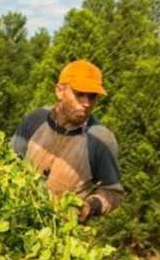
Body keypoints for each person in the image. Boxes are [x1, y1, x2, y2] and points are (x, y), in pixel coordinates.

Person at [10, 59, 124, 222]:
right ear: (59, 91)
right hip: (16, 219)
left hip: (58, 232)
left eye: (92, 97)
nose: (86, 103)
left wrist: (91, 205)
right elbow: (9, 161)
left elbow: (113, 192)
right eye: (79, 94)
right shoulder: (35, 119)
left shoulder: (100, 139)